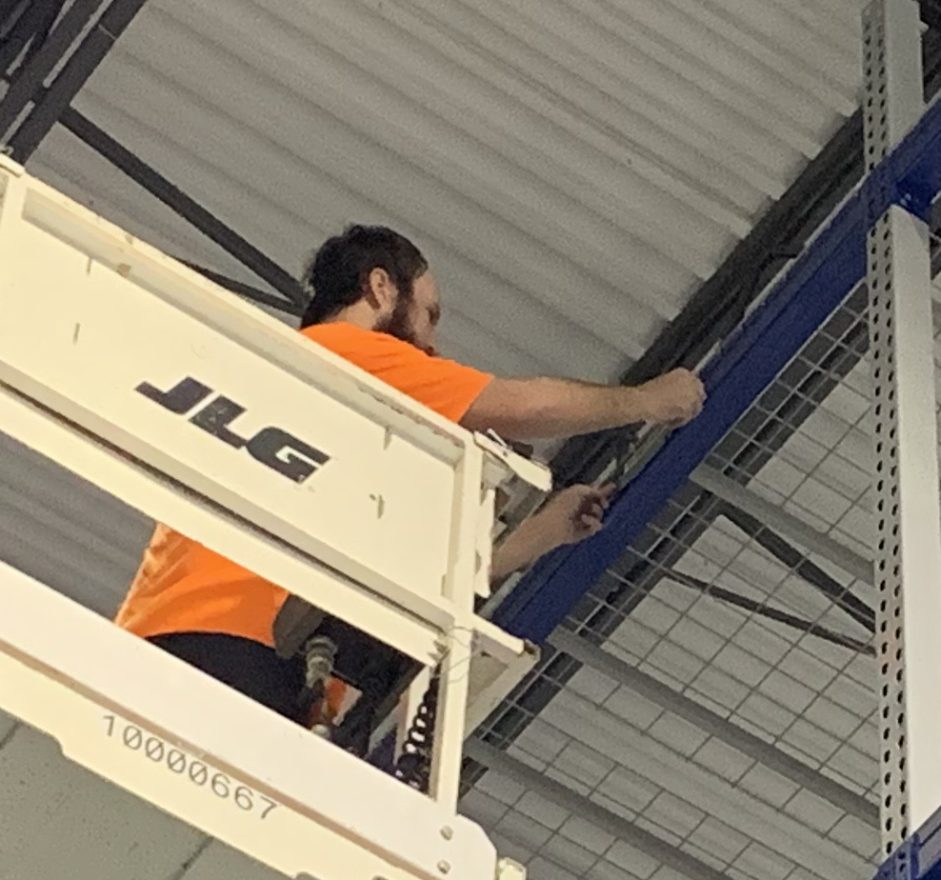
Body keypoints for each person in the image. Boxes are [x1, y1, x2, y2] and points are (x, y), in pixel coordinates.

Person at [116, 224, 704, 738]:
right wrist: (647, 400)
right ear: (379, 289)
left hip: (180, 638)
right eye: (429, 313)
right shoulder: (346, 351)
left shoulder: (321, 413)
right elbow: (518, 406)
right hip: (234, 647)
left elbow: (417, 584)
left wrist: (542, 535)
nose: (432, 343)